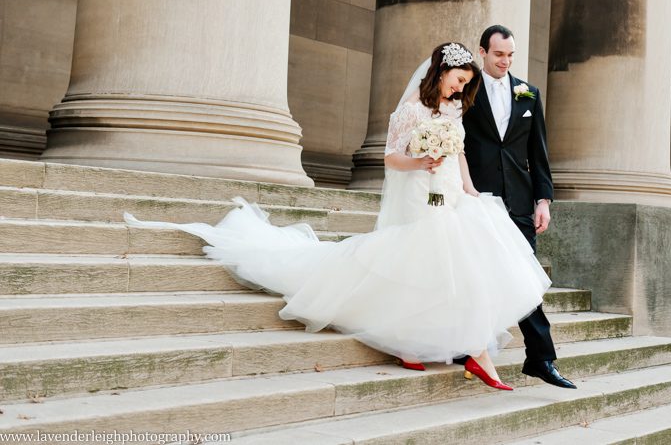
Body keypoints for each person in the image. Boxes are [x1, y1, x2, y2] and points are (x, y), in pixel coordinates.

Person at [125, 42, 550, 391]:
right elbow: (390, 159)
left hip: (451, 194)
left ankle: (459, 351)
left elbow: (459, 155)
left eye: (466, 85)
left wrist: (472, 192)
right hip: (421, 192)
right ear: (440, 72)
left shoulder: (454, 113)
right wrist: (419, 162)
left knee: (459, 264)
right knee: (425, 260)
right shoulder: (410, 113)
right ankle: (449, 350)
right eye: (459, 81)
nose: (460, 90)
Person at [461, 24, 576, 389]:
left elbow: (538, 153)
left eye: (510, 55)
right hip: (476, 198)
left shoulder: (529, 94)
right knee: (475, 275)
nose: (505, 62)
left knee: (526, 277)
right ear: (482, 52)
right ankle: (465, 346)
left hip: (520, 201)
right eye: (498, 55)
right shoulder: (464, 88)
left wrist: (543, 200)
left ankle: (541, 358)